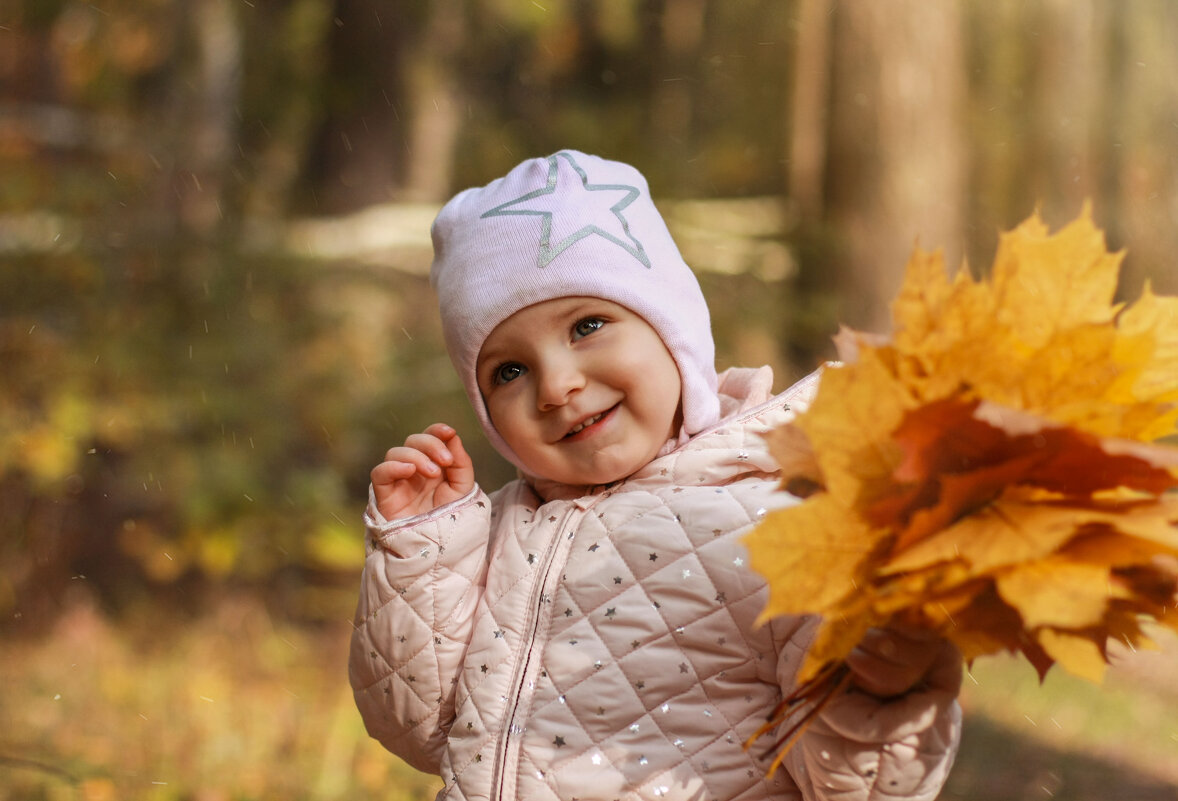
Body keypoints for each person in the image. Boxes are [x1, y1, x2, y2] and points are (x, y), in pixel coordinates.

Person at [349, 150, 962, 801]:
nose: (556, 386)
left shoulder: (782, 519)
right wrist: (422, 549)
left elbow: (858, 789)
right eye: (508, 370)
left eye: (588, 326)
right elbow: (417, 728)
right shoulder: (499, 531)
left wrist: (884, 682)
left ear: (675, 332)